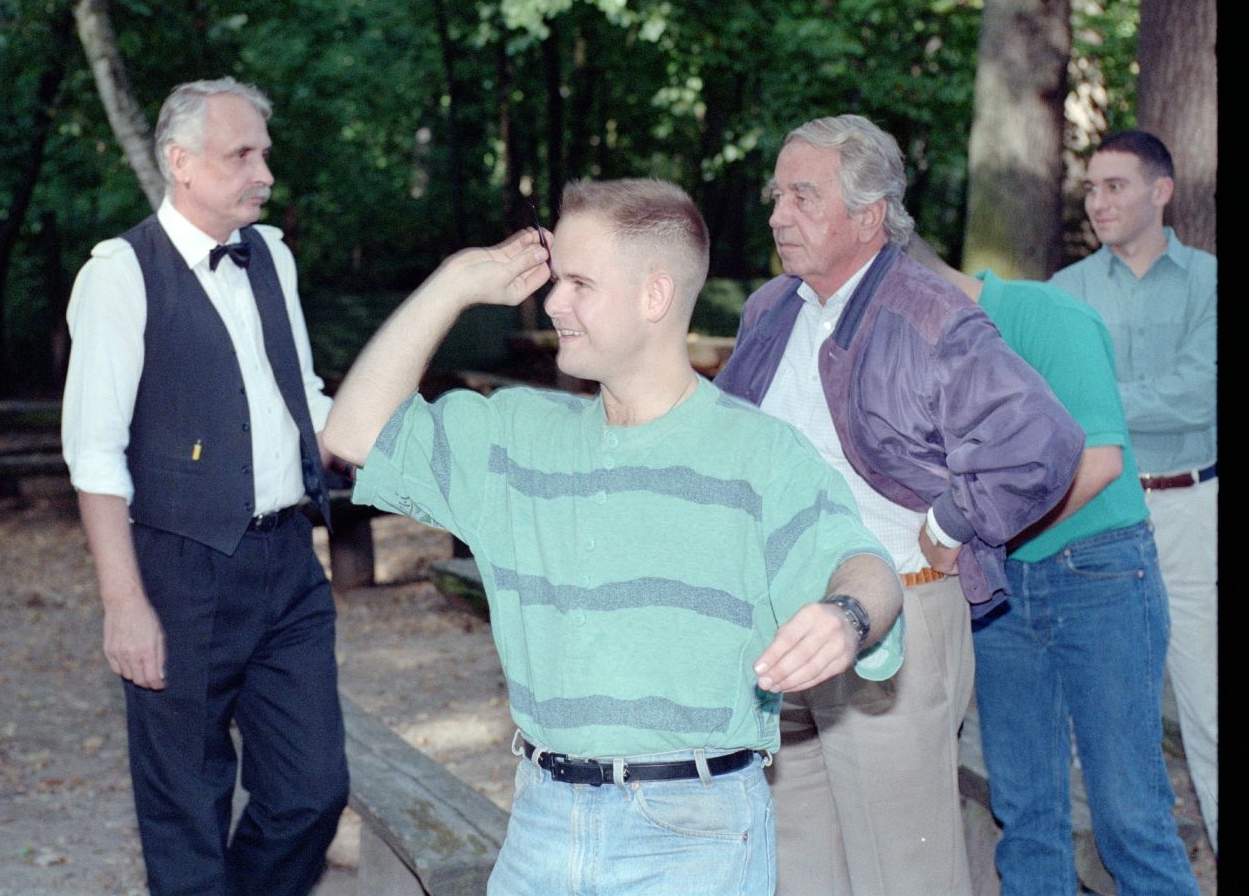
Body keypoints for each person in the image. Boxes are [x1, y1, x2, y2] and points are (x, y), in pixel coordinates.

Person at [322, 178, 906, 896]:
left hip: (695, 835)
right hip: (541, 820)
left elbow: (868, 567)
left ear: (654, 296)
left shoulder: (760, 456)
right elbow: (352, 433)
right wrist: (452, 284)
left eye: (579, 283)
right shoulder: (516, 435)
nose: (552, 301)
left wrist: (845, 616)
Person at [714, 115, 1084, 896]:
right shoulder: (770, 309)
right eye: (777, 195)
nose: (778, 214)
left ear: (870, 213)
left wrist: (953, 521)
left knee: (902, 870)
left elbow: (1044, 439)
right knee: (798, 862)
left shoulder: (929, 313)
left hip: (899, 617)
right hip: (782, 623)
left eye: (803, 196)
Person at [61, 77, 348, 896]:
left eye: (265, 152)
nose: (264, 171)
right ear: (181, 162)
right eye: (242, 154)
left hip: (289, 564)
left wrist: (386, 440)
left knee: (313, 791)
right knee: (186, 815)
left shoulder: (274, 255)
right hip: (178, 570)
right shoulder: (119, 273)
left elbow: (307, 402)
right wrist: (125, 603)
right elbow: (94, 454)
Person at [907, 235, 1199, 896]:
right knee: (1026, 816)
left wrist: (982, 537)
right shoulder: (924, 360)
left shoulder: (1048, 316)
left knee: (1130, 818)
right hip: (1004, 597)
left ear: (917, 287)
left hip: (1099, 573)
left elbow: (1099, 462)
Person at [1050, 129, 1217, 854]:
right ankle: (1124, 858)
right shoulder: (1064, 293)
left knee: (1209, 703)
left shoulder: (1211, 281)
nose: (1097, 201)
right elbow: (1048, 401)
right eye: (1090, 188)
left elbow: (1202, 396)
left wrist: (1096, 400)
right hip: (1096, 510)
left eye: (1115, 185)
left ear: (1162, 191)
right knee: (1107, 707)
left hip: (1190, 507)